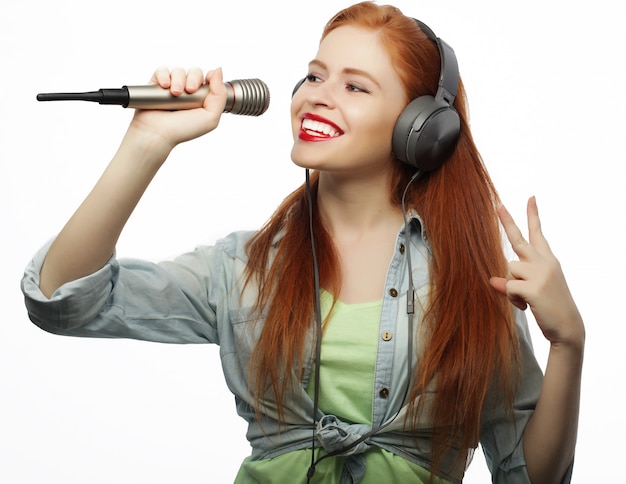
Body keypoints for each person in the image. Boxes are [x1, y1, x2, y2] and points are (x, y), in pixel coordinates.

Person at [21, 2, 584, 483]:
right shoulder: (242, 268)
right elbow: (64, 301)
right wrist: (146, 142)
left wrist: (568, 344)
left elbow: (528, 475)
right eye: (314, 77)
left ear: (420, 127)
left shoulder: (471, 277)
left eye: (354, 86)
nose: (317, 97)